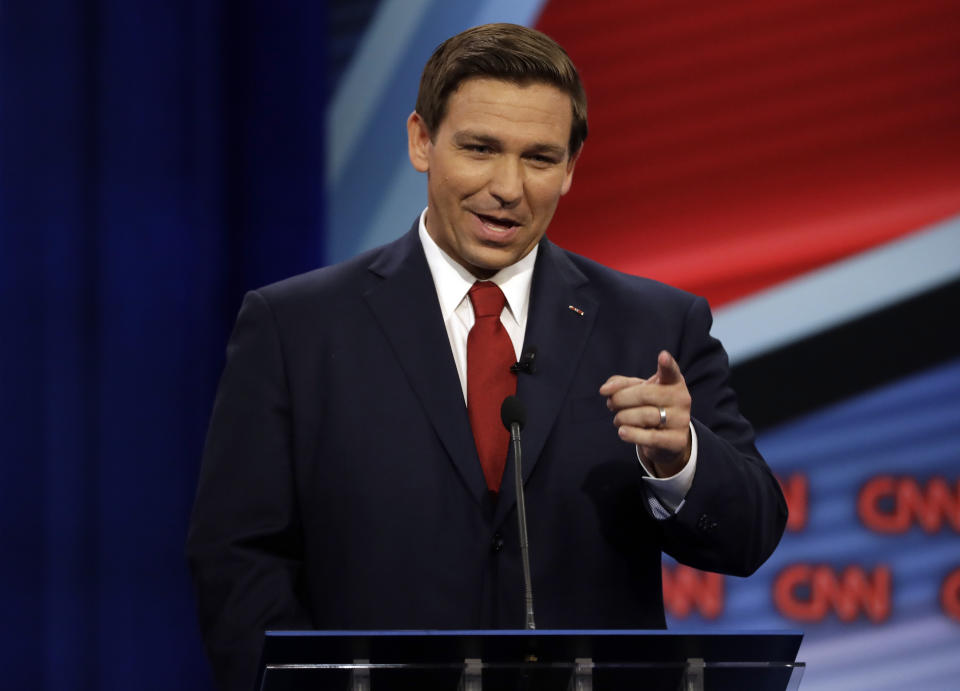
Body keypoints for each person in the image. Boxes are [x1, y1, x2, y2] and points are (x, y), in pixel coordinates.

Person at [186, 23, 787, 691]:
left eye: (538, 158)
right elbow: (236, 559)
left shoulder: (655, 325)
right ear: (422, 141)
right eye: (479, 148)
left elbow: (750, 534)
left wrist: (681, 463)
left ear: (570, 168)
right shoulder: (295, 327)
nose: (508, 186)